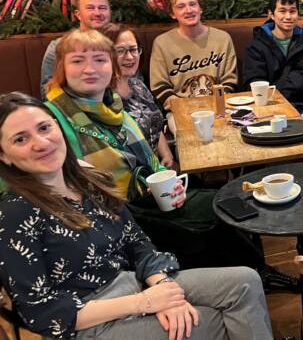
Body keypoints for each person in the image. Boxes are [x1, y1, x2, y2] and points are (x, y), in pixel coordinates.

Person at [0, 92, 273, 340]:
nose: (41, 143)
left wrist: (163, 287)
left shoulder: (88, 178)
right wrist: (145, 302)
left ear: (57, 127)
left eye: (44, 128)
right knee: (214, 321)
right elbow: (40, 311)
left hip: (133, 283)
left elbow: (137, 241)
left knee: (245, 282)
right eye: (20, 139)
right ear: (4, 156)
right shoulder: (14, 213)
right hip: (90, 321)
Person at [43, 28, 266, 274]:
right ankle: (250, 272)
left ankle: (256, 270)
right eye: (77, 61)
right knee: (219, 212)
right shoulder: (50, 120)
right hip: (115, 219)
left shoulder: (113, 107)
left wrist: (169, 181)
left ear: (111, 66)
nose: (90, 69)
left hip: (148, 199)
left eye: (99, 60)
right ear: (61, 68)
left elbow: (148, 157)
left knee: (228, 201)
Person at [242, 0, 303, 143]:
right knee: (273, 138)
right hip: (271, 109)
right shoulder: (256, 47)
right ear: (271, 14)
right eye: (282, 11)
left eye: (292, 11)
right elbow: (253, 81)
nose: (288, 16)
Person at [149, 0, 237, 131]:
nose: (188, 10)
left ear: (200, 8)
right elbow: (160, 87)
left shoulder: (223, 38)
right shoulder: (162, 43)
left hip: (219, 107)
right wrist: (184, 108)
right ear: (172, 14)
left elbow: (230, 81)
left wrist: (216, 106)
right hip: (180, 110)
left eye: (192, 4)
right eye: (181, 6)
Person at [103, 23, 174, 169]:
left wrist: (167, 154)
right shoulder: (104, 98)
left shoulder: (137, 85)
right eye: (120, 51)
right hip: (134, 174)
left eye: (133, 49)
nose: (129, 57)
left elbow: (153, 122)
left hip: (159, 168)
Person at [40, 0, 112, 97]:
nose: (97, 13)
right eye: (90, 8)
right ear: (78, 14)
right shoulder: (59, 46)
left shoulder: (119, 42)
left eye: (102, 8)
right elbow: (47, 91)